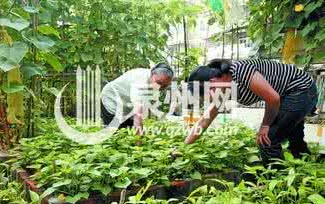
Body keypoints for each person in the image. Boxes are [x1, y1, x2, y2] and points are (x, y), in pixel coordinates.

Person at [185, 59, 318, 165]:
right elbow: (205, 120)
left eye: (207, 96)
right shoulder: (222, 88)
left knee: (267, 140)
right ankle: (305, 167)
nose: (210, 99)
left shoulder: (240, 71)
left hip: (301, 90)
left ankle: (278, 181)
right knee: (294, 139)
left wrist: (265, 126)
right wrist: (183, 148)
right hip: (288, 95)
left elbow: (273, 99)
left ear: (212, 83)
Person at [101, 63, 174, 133]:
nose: (160, 87)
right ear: (152, 74)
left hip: (127, 104)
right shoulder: (140, 81)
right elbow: (138, 113)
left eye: (164, 86)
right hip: (112, 99)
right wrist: (139, 142)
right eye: (158, 82)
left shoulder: (154, 82)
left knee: (128, 132)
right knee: (115, 133)